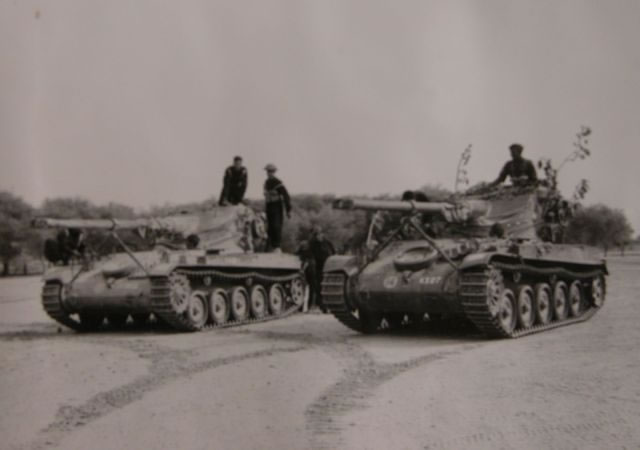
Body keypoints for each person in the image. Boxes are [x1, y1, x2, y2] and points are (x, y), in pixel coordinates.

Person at [263, 164, 291, 252]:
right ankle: (270, 246)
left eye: (271, 171)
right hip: (269, 206)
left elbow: (286, 196)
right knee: (270, 226)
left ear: (274, 172)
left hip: (276, 206)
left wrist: (288, 209)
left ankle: (277, 246)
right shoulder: (266, 182)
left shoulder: (278, 182)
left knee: (276, 225)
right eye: (268, 171)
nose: (269, 173)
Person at [308, 226, 335, 312]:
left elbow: (334, 252)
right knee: (319, 287)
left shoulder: (327, 243)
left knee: (329, 287)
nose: (318, 236)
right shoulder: (312, 244)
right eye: (316, 235)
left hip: (329, 267)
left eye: (319, 234)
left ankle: (329, 305)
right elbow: (310, 255)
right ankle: (322, 306)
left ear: (322, 234)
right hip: (319, 268)